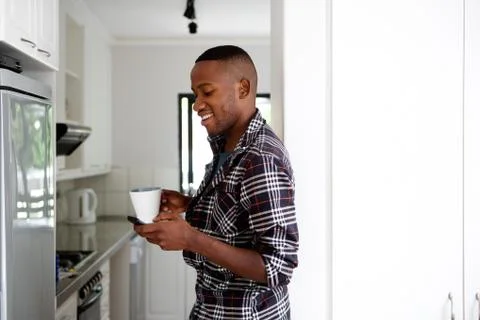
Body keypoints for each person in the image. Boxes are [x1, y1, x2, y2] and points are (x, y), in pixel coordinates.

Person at [134, 45, 299, 319]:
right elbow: (238, 213)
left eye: (207, 92)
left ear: (243, 89)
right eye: (196, 93)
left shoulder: (259, 159)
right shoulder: (227, 147)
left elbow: (277, 268)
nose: (197, 104)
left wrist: (190, 238)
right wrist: (190, 204)